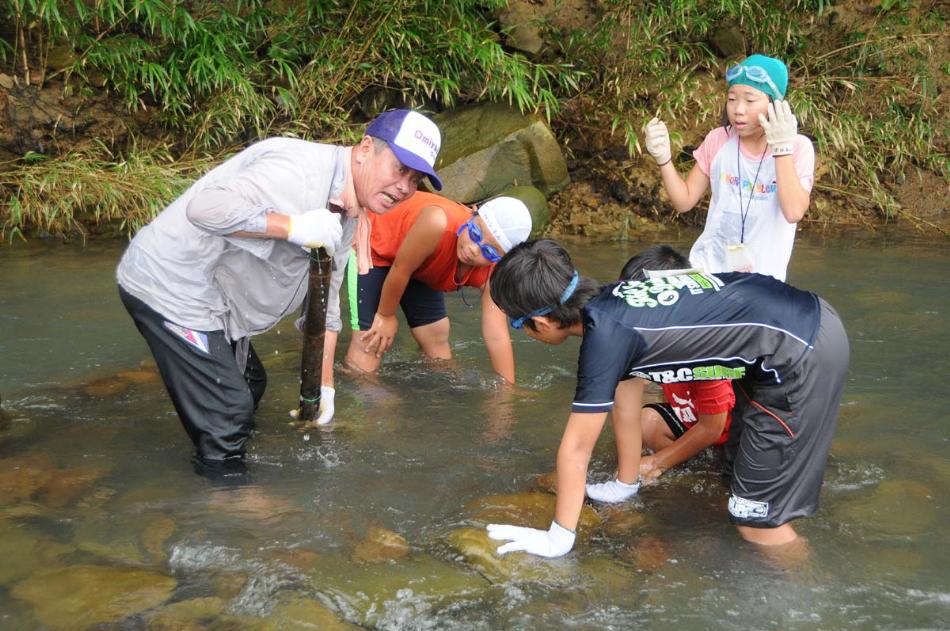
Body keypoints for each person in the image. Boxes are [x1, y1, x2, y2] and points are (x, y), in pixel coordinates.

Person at [117, 109, 443, 469]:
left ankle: (228, 454)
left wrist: (324, 387)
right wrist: (292, 226)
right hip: (169, 285)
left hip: (217, 298)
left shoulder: (350, 209)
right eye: (400, 170)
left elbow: (325, 302)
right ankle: (225, 498)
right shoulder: (297, 170)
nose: (405, 188)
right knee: (230, 410)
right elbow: (205, 208)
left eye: (416, 180)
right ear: (366, 148)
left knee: (251, 384)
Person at [484, 239, 849, 557]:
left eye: (518, 325)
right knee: (733, 481)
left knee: (756, 520)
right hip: (795, 327)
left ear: (543, 323)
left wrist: (559, 537)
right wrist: (624, 484)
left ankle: (808, 592)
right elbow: (625, 400)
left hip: (799, 352)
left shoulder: (605, 336)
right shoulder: (612, 302)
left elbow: (577, 447)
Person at [642, 54, 815, 281]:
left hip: (763, 282)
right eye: (732, 99)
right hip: (708, 271)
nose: (738, 109)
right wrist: (664, 159)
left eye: (750, 100)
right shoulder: (719, 139)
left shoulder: (798, 148)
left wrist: (781, 148)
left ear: (774, 105)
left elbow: (793, 212)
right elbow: (683, 202)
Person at [584, 245, 735, 501]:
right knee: (645, 421)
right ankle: (691, 470)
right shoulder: (644, 334)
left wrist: (657, 462)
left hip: (734, 431)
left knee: (727, 502)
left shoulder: (706, 344)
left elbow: (713, 427)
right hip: (694, 418)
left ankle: (704, 479)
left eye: (634, 304)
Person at [344, 191, 532, 384]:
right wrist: (386, 316)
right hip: (375, 245)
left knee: (437, 338)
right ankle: (359, 402)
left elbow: (497, 335)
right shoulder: (437, 222)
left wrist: (507, 391)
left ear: (502, 259)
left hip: (419, 261)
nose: (473, 249)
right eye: (475, 233)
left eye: (489, 251)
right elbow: (401, 269)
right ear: (473, 213)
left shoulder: (494, 273)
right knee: (370, 341)